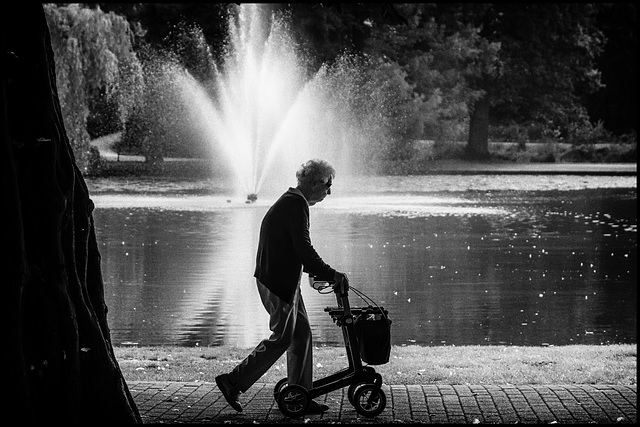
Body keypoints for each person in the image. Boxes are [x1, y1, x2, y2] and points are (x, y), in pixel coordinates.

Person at [215, 159, 349, 414]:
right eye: (327, 185)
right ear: (313, 183)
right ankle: (232, 381)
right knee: (282, 338)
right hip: (278, 282)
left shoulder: (291, 201)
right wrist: (331, 274)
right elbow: (304, 248)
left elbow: (296, 248)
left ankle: (300, 396)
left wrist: (312, 271)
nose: (329, 191)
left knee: (302, 335)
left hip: (282, 280)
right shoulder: (295, 204)